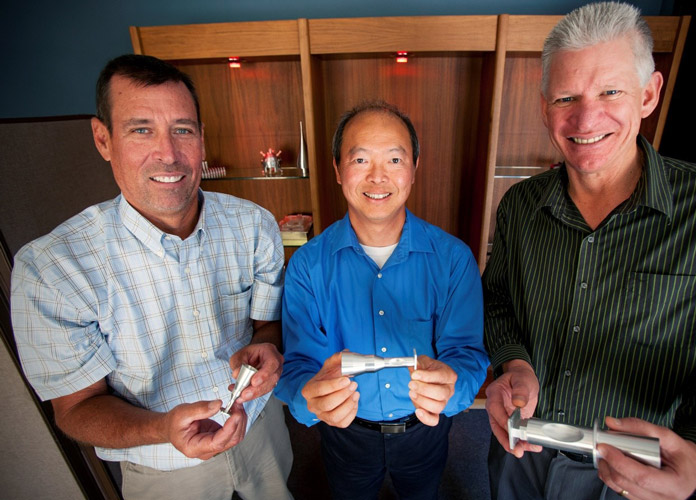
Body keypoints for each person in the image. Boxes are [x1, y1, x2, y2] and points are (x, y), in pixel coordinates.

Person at [482, 2, 696, 500]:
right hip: (521, 456)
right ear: (545, 107)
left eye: (611, 91)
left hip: (634, 479)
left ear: (649, 93)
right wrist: (514, 364)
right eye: (566, 96)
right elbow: (498, 298)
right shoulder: (521, 205)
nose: (587, 117)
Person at [11, 54, 293, 500]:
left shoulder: (254, 224)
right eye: (141, 129)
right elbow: (76, 407)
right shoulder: (53, 269)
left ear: (200, 137)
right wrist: (163, 426)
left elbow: (266, 325)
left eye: (182, 129)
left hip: (261, 429)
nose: (169, 153)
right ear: (103, 139)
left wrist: (269, 347)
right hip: (162, 465)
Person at [274, 100, 489, 500]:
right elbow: (298, 366)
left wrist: (452, 389)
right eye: (360, 159)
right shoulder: (306, 265)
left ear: (413, 169)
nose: (377, 177)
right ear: (338, 169)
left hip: (425, 430)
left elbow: (468, 354)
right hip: (344, 436)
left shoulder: (453, 259)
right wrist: (309, 398)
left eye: (394, 159)